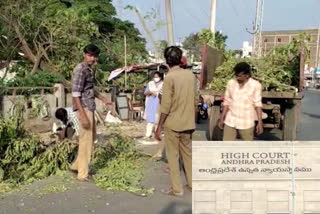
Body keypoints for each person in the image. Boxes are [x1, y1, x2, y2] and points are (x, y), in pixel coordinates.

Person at [155, 46, 198, 196]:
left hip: (173, 123)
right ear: (180, 59)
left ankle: (177, 189)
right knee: (188, 155)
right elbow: (195, 101)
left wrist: (159, 126)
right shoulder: (191, 76)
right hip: (188, 122)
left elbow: (165, 106)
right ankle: (192, 184)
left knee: (173, 157)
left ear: (167, 61)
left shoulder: (170, 78)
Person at [70, 44, 113, 181]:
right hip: (84, 108)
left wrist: (103, 99)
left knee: (90, 137)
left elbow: (89, 89)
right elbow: (76, 94)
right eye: (89, 55)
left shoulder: (89, 69)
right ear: (84, 54)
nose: (91, 58)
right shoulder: (80, 70)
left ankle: (77, 166)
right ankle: (83, 174)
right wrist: (82, 115)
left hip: (89, 106)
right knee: (86, 140)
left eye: (94, 56)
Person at [218, 62, 264, 141]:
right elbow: (227, 102)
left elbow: (258, 105)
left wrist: (260, 122)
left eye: (239, 76)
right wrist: (222, 118)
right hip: (230, 121)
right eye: (236, 75)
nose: (237, 78)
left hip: (246, 123)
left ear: (247, 75)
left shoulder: (256, 85)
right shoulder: (231, 83)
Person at [144, 71, 164, 139]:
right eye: (154, 77)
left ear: (160, 77)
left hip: (159, 102)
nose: (155, 78)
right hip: (151, 102)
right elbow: (145, 92)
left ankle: (157, 133)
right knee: (150, 119)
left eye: (157, 77)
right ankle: (148, 134)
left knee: (158, 119)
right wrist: (150, 92)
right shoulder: (150, 84)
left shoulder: (163, 84)